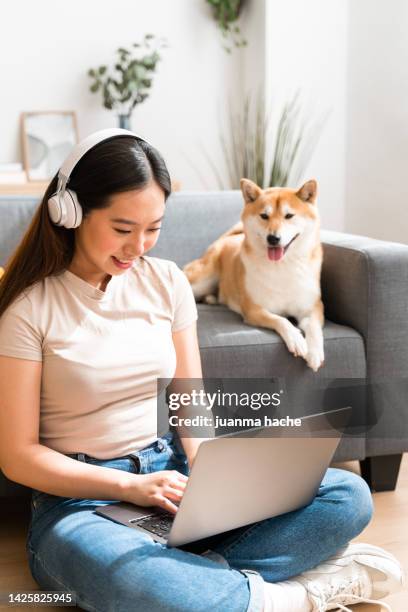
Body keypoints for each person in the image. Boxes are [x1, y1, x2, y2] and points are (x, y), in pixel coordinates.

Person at [0, 129, 403, 612]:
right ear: (70, 212)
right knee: (141, 583)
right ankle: (299, 595)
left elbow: (189, 402)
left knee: (347, 494)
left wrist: (215, 481)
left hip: (174, 480)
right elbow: (18, 456)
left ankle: (201, 585)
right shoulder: (29, 308)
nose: (139, 247)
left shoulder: (167, 281)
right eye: (123, 229)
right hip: (81, 504)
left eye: (154, 228)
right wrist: (129, 486)